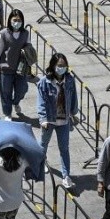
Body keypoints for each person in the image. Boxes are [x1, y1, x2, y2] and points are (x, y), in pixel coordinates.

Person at [37, 52, 78, 189]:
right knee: (44, 143)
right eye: (59, 65)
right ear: (53, 66)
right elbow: (41, 102)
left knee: (64, 148)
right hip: (49, 120)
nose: (62, 68)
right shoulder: (44, 82)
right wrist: (43, 119)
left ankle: (66, 175)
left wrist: (73, 113)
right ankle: (41, 162)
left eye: (64, 65)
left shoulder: (70, 80)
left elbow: (73, 97)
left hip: (64, 121)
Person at [0, 9, 30, 121]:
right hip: (6, 68)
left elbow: (29, 47)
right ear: (10, 20)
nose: (17, 22)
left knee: (22, 89)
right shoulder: (3, 34)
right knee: (6, 92)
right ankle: (7, 113)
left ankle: (16, 102)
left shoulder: (25, 33)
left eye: (19, 20)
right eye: (15, 20)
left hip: (20, 68)